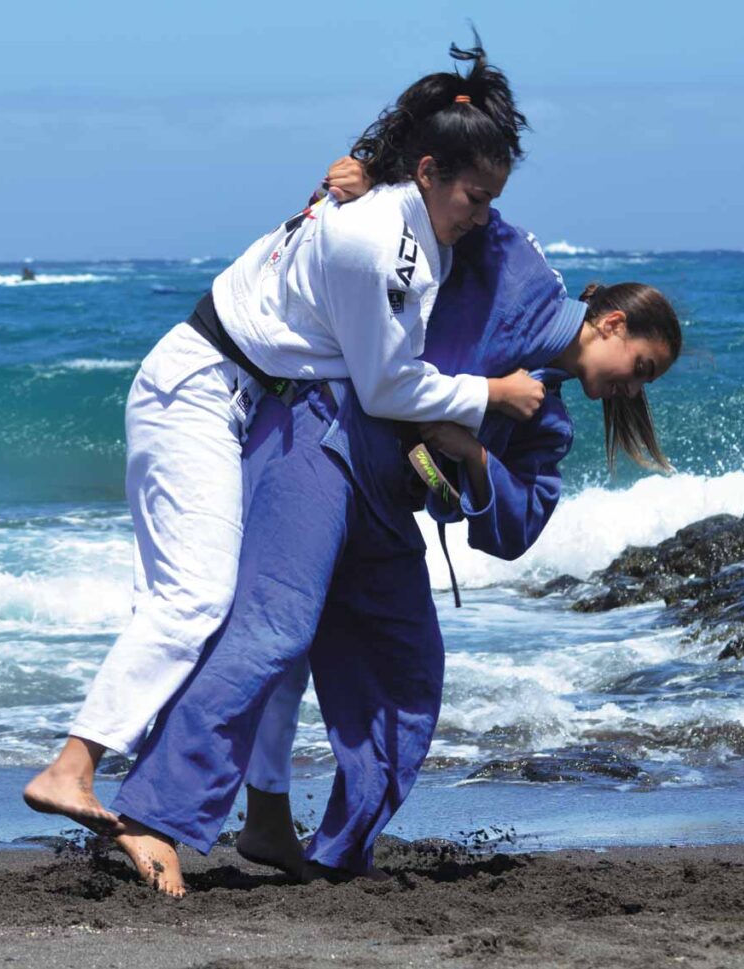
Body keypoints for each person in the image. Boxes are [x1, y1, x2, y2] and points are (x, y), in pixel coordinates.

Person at [23, 38, 542, 833]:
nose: (481, 218)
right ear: (429, 171)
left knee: (258, 619)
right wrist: (491, 394)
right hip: (196, 390)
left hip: (243, 400)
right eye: (474, 197)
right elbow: (388, 384)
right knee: (195, 599)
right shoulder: (383, 246)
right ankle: (75, 768)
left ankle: (245, 810)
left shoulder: (393, 212)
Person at [106, 207, 682, 894]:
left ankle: (338, 849)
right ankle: (150, 816)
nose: (634, 388)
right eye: (640, 366)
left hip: (385, 506)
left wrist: (472, 455)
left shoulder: (547, 421)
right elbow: (450, 196)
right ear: (612, 323)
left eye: (647, 382)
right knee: (272, 630)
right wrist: (362, 166)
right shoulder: (518, 281)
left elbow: (516, 525)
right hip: (320, 435)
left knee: (410, 678)